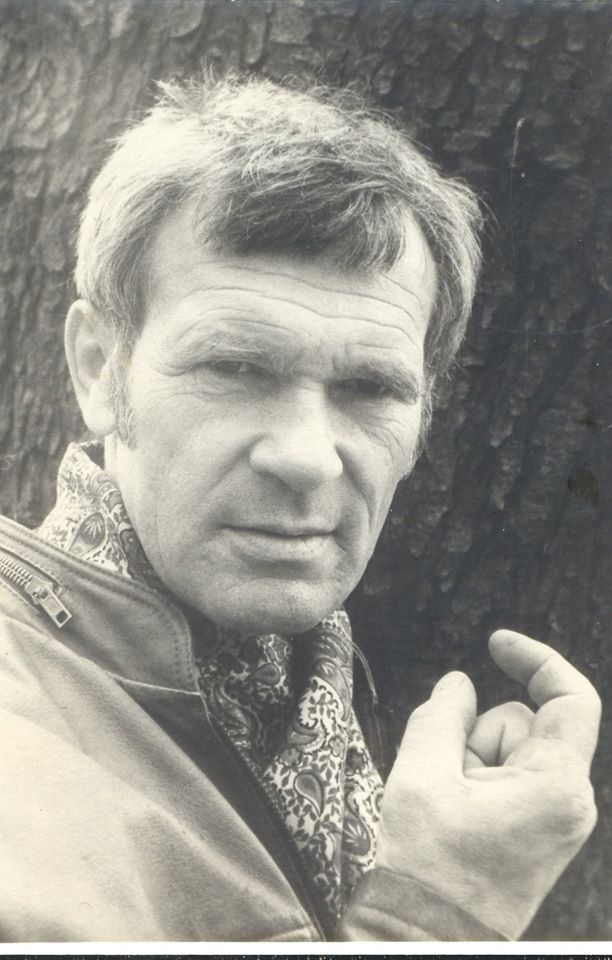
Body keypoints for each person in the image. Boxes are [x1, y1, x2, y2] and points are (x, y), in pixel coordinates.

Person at [0, 73, 600, 943]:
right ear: (98, 369)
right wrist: (441, 910)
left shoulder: (301, 687)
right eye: (235, 369)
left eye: (371, 388)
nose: (309, 458)